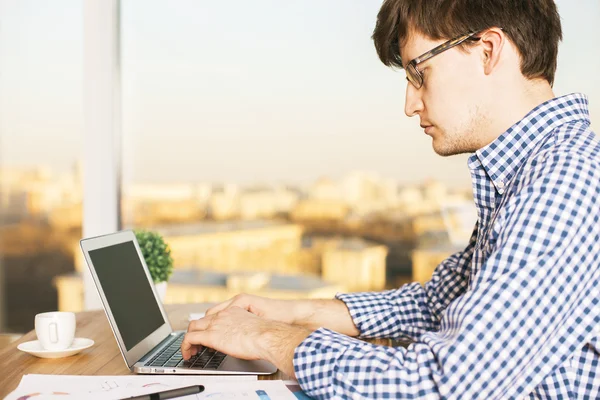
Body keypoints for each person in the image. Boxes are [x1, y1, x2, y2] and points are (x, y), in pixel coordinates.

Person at [181, 0, 600, 398]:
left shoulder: (564, 182)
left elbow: (443, 386)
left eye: (420, 73)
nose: (409, 103)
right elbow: (436, 305)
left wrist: (265, 338)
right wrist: (290, 313)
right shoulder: (531, 172)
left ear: (487, 50)